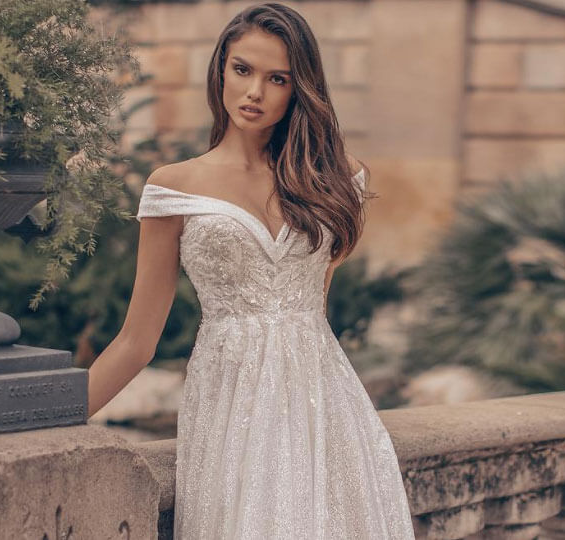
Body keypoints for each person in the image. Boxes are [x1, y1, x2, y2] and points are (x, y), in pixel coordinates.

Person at [85, 3, 416, 538]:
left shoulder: (336, 181)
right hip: (230, 405)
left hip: (325, 407)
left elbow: (314, 308)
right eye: (242, 70)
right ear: (220, 70)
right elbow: (136, 342)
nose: (254, 92)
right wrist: (50, 422)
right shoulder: (175, 186)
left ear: (298, 87)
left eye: (277, 78)